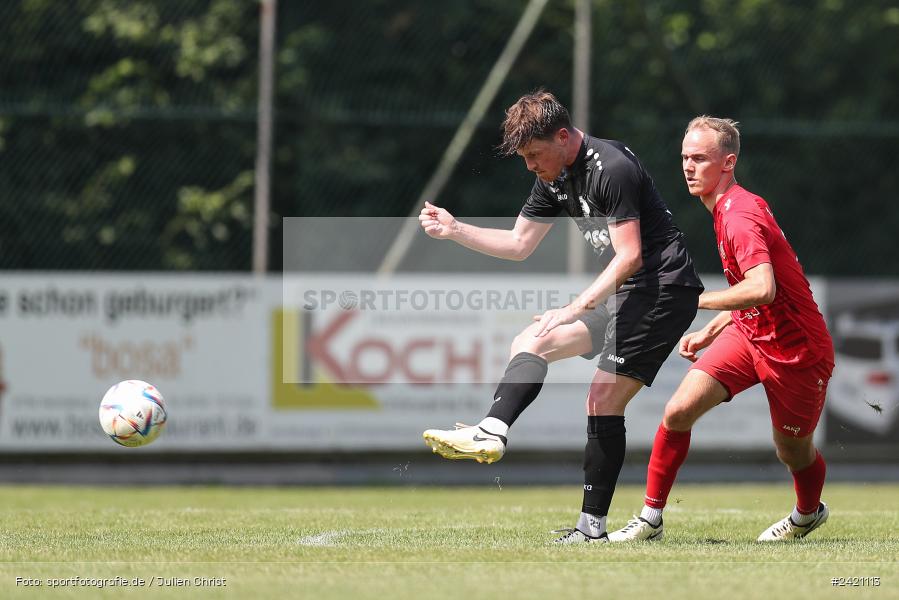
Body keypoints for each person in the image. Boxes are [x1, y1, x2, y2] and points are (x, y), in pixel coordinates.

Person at [418, 90, 704, 543]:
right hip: (622, 292)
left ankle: (591, 530)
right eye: (524, 158)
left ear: (563, 137)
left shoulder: (611, 167)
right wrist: (455, 230)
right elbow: (519, 244)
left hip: (661, 290)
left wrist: (575, 306)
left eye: (534, 154)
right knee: (531, 341)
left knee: (602, 399)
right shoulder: (554, 177)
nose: (530, 165)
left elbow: (630, 256)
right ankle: (492, 430)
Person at [609, 116, 835, 543]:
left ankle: (808, 513)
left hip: (797, 350)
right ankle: (650, 519)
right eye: (685, 157)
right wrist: (714, 327)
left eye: (699, 158)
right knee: (678, 412)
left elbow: (763, 288)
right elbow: (764, 289)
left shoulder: (738, 214)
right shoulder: (727, 209)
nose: (688, 166)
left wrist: (690, 300)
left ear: (728, 163)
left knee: (792, 451)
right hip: (749, 333)